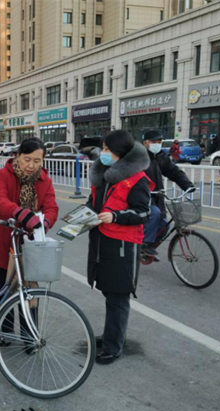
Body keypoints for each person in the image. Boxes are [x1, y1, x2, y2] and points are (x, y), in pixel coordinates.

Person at [86, 130, 153, 365]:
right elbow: (93, 203)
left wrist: (116, 216)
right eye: (102, 148)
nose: (103, 153)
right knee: (109, 291)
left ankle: (114, 346)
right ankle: (111, 335)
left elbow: (143, 212)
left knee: (118, 296)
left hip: (123, 245)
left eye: (107, 149)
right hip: (102, 242)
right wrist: (83, 216)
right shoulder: (104, 175)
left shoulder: (137, 179)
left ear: (120, 152)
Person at [0, 137, 59, 343]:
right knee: (3, 288)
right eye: (27, 159)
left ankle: (29, 337)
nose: (31, 165)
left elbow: (51, 208)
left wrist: (45, 223)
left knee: (29, 289)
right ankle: (4, 332)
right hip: (3, 238)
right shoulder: (3, 175)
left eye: (37, 161)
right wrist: (21, 214)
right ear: (17, 156)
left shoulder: (44, 180)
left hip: (29, 243)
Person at [141, 130, 194, 256]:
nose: (157, 144)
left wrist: (187, 185)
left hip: (157, 196)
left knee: (164, 225)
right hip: (142, 196)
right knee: (154, 213)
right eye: (154, 142)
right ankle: (143, 245)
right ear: (145, 143)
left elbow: (173, 171)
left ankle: (148, 250)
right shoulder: (139, 157)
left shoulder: (160, 156)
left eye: (159, 142)